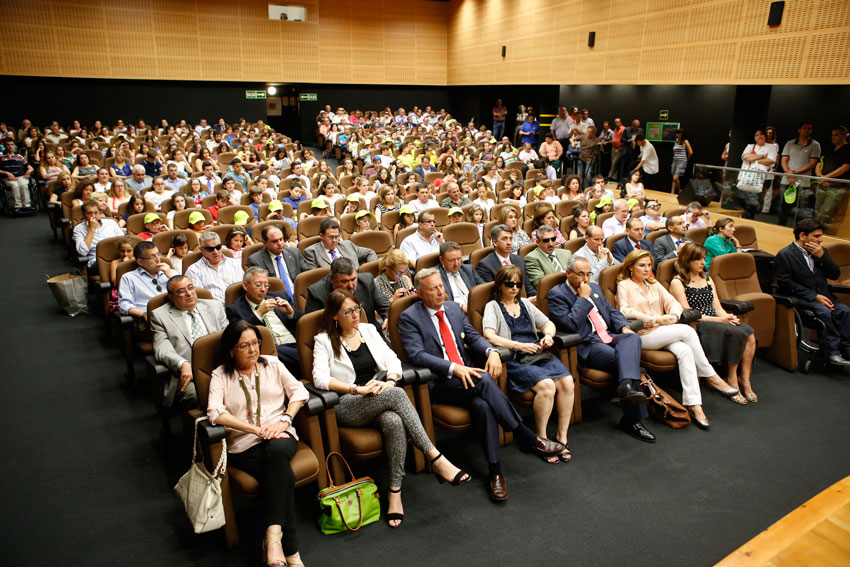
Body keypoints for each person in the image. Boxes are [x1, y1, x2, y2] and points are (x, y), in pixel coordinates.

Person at [399, 268, 563, 501]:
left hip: (467, 380)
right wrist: (454, 368)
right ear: (419, 292)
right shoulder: (409, 317)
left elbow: (474, 338)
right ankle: (526, 435)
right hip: (440, 383)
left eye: (441, 286)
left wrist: (492, 351)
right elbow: (417, 355)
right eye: (433, 289)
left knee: (483, 407)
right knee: (484, 378)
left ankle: (496, 473)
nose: (440, 292)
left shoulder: (454, 309)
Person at [312, 290, 469, 528]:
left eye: (357, 309)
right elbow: (320, 379)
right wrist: (356, 389)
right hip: (347, 404)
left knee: (394, 420)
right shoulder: (323, 339)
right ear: (335, 315)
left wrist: (390, 381)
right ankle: (435, 457)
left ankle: (394, 492)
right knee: (397, 394)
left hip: (380, 396)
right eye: (348, 312)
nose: (355, 315)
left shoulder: (369, 330)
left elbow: (393, 360)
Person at [207, 320, 309, 567]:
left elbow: (299, 392)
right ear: (231, 349)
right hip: (244, 445)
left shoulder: (272, 364)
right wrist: (253, 429)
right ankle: (291, 551)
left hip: (281, 435)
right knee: (281, 474)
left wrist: (285, 420)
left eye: (255, 343)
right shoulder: (221, 374)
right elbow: (215, 412)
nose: (253, 350)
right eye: (244, 345)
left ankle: (273, 537)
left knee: (276, 449)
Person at [616, 250, 741, 429]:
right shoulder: (624, 285)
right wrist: (656, 319)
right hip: (642, 334)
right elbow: (625, 311)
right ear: (630, 267)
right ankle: (712, 376)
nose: (646, 269)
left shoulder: (653, 283)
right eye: (641, 265)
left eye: (649, 265)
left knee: (685, 351)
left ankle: (694, 405)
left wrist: (674, 315)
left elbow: (673, 302)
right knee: (687, 331)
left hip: (664, 331)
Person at [547, 256, 653, 442]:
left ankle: (625, 387)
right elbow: (570, 325)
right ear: (568, 273)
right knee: (628, 362)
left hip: (609, 335)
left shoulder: (594, 287)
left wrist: (623, 327)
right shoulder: (557, 294)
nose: (586, 279)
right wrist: (583, 298)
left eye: (588, 274)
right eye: (581, 274)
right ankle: (632, 420)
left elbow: (611, 311)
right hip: (588, 344)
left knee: (632, 338)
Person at [482, 266, 574, 462]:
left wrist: (548, 336)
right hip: (515, 358)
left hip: (537, 353)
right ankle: (541, 439)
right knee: (548, 386)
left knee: (567, 381)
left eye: (518, 284)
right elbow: (489, 335)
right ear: (500, 285)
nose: (514, 288)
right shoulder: (493, 306)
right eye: (509, 284)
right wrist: (518, 345)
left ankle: (562, 437)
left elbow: (548, 324)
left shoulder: (525, 303)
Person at [670, 243, 756, 403]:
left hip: (718, 319)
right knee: (736, 333)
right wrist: (720, 320)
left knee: (749, 334)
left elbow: (717, 306)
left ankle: (745, 380)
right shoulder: (678, 281)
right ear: (688, 261)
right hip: (698, 324)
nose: (703, 262)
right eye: (699, 259)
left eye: (704, 258)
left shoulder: (707, 278)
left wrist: (729, 318)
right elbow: (688, 313)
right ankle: (732, 379)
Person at [774, 217, 850, 366]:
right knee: (825, 313)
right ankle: (832, 352)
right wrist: (814, 296)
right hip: (801, 298)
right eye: (816, 236)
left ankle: (847, 350)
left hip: (826, 296)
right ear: (803, 236)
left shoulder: (821, 252)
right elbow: (785, 283)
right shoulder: (785, 255)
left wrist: (823, 257)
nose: (820, 240)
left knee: (845, 311)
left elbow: (835, 274)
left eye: (821, 236)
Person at [151, 275, 228, 408]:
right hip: (190, 372)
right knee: (198, 397)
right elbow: (162, 349)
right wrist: (183, 364)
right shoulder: (160, 316)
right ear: (171, 297)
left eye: (191, 288)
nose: (189, 293)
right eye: (181, 291)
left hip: (221, 365)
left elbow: (229, 336)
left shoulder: (215, 306)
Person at [226, 267, 302, 378]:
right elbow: (239, 336)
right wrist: (258, 313)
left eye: (266, 285)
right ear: (246, 286)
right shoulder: (234, 309)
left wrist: (291, 312)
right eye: (258, 285)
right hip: (270, 351)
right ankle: (310, 358)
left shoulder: (280, 297)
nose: (263, 289)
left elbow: (304, 324)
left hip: (295, 344)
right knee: (276, 352)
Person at [305, 258, 389, 329]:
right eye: (344, 281)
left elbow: (385, 306)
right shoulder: (316, 293)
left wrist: (387, 317)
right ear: (332, 279)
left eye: (353, 279)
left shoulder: (366, 281)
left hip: (371, 335)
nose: (351, 286)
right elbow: (312, 327)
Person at [118, 241, 173, 325]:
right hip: (151, 318)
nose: (158, 260)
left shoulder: (170, 272)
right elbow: (125, 305)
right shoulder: (129, 278)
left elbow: (187, 293)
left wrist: (170, 276)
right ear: (140, 262)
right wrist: (143, 314)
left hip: (175, 313)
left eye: (158, 254)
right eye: (152, 257)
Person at [477, 224, 536, 300]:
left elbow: (528, 286)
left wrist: (535, 298)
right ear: (495, 242)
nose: (509, 242)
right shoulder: (485, 265)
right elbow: (494, 294)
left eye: (510, 239)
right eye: (504, 239)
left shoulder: (519, 260)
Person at [184, 231, 245, 302]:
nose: (215, 252)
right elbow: (199, 300)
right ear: (202, 250)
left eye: (218, 247)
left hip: (238, 307)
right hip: (212, 309)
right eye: (210, 249)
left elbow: (244, 288)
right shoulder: (193, 271)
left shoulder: (235, 263)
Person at [302, 217, 378, 270]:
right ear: (322, 236)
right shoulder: (311, 252)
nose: (335, 240)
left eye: (337, 236)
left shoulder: (348, 245)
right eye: (331, 237)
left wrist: (368, 272)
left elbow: (370, 252)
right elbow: (314, 278)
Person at [813, 126, 850, 224]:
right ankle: (813, 231)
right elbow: (819, 163)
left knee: (825, 212)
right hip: (822, 184)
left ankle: (820, 233)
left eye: (836, 135)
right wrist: (820, 177)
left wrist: (826, 177)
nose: (833, 137)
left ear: (844, 135)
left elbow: (845, 167)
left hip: (837, 187)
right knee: (817, 210)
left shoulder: (847, 149)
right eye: (832, 135)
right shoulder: (829, 149)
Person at [74, 200, 124, 268]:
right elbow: (82, 252)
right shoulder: (79, 229)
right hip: (96, 260)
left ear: (99, 213)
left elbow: (123, 241)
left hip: (117, 256)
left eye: (95, 213)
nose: (93, 216)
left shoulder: (111, 223)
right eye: (89, 213)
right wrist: (92, 229)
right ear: (83, 214)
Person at [437, 241, 483, 313]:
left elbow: (483, 288)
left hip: (476, 309)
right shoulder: (435, 276)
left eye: (459, 259)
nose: (456, 264)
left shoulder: (468, 269)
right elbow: (439, 301)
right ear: (441, 260)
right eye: (451, 260)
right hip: (455, 312)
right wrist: (460, 307)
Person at [0, 137, 33, 210]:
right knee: (15, 186)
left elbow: (31, 167)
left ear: (14, 145)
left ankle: (27, 205)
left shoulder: (19, 156)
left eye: (12, 144)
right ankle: (18, 206)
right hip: (8, 178)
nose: (10, 146)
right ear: (4, 146)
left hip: (21, 176)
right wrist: (6, 172)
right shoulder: (1, 156)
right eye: (8, 145)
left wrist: (28, 171)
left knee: (23, 185)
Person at [670, 130, 693, 195]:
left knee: (675, 178)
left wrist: (687, 159)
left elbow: (690, 152)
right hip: (675, 161)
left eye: (678, 133)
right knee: (673, 178)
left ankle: (679, 190)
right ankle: (672, 193)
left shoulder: (685, 141)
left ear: (681, 134)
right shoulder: (676, 141)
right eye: (676, 133)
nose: (677, 135)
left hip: (682, 161)